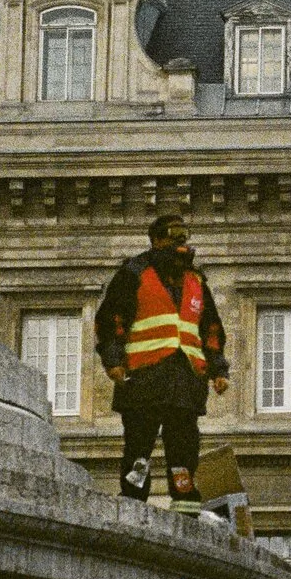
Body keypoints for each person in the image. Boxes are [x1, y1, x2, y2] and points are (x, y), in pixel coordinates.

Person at [94, 214, 230, 508]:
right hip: (144, 377)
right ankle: (133, 498)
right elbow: (111, 319)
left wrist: (218, 369)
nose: (181, 241)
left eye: (185, 235)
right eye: (174, 234)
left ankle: (185, 501)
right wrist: (113, 359)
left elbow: (211, 329)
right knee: (139, 446)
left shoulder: (196, 280)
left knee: (184, 446)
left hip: (185, 379)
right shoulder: (134, 272)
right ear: (156, 240)